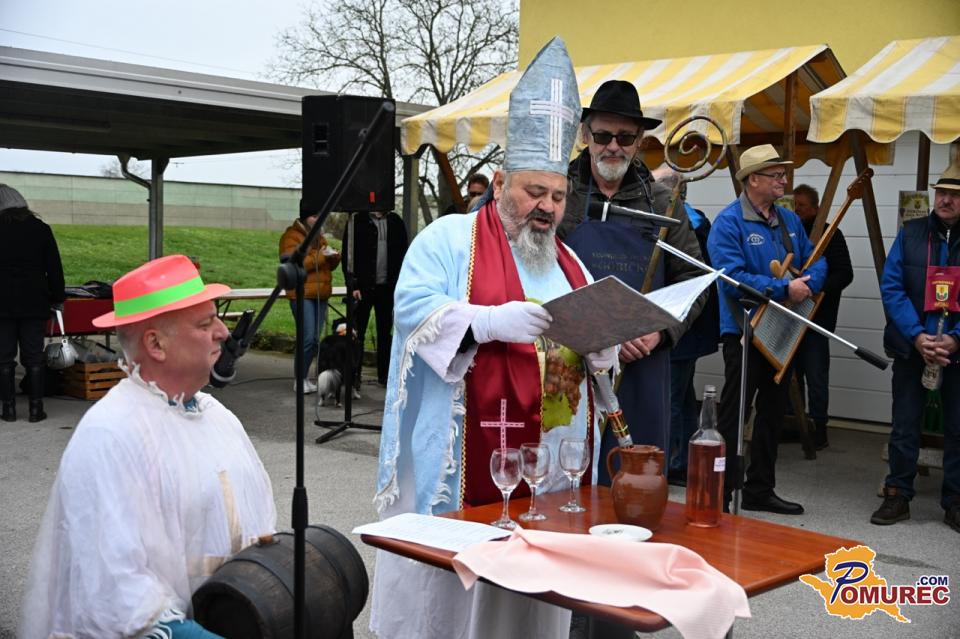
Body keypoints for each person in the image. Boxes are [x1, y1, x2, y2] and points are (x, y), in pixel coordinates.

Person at [370, 37, 615, 639]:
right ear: (500, 182)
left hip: (549, 470)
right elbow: (411, 309)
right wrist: (482, 322)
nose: (546, 207)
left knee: (531, 608)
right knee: (453, 606)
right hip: (469, 459)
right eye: (534, 192)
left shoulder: (571, 265)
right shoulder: (449, 240)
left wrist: (603, 352)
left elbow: (589, 349)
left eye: (558, 196)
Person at [19, 255, 277, 638]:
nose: (223, 332)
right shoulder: (110, 434)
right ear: (155, 343)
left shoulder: (216, 415)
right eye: (205, 323)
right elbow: (113, 590)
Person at [558, 80, 707, 484]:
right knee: (565, 474)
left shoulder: (663, 203)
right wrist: (597, 334)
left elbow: (695, 278)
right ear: (585, 135)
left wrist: (661, 330)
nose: (613, 146)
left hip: (642, 362)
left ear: (640, 141)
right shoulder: (561, 195)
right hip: (569, 360)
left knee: (635, 481)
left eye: (625, 137)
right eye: (603, 136)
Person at [707, 145, 826, 515]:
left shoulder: (789, 220)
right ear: (753, 179)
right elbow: (731, 279)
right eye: (776, 175)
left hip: (782, 332)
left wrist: (809, 281)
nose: (783, 181)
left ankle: (760, 489)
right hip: (744, 331)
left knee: (773, 412)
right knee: (734, 414)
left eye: (782, 174)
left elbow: (817, 261)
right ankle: (719, 492)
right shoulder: (729, 223)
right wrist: (783, 289)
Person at [873, 164, 960, 533]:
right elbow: (891, 287)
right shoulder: (911, 233)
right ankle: (898, 494)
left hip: (956, 351)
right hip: (913, 348)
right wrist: (917, 335)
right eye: (941, 192)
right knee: (905, 425)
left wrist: (956, 338)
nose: (945, 199)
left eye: (954, 194)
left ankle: (955, 501)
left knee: (958, 428)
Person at [650, 172, 720, 486]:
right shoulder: (700, 220)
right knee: (684, 394)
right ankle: (689, 460)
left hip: (681, 324)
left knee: (672, 399)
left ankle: (673, 463)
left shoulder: (677, 224)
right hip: (695, 325)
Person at [792, 184, 853, 450]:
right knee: (792, 376)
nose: (797, 210)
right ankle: (796, 424)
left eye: (802, 206)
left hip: (818, 319)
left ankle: (819, 428)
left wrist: (817, 290)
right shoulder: (788, 232)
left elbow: (845, 273)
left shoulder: (831, 234)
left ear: (816, 208)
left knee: (816, 375)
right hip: (789, 317)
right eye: (794, 205)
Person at [0, 184, 65, 423]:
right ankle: (36, 410)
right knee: (34, 356)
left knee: (4, 358)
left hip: (2, 303)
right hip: (35, 302)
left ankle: (8, 409)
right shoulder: (41, 229)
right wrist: (58, 298)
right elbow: (54, 268)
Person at [341, 208, 408, 388]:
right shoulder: (357, 220)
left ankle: (385, 376)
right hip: (362, 288)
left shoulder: (395, 222)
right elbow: (348, 255)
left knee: (385, 333)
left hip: (387, 288)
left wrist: (400, 284)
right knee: (358, 333)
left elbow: (404, 253)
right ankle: (354, 376)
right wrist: (352, 284)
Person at [280, 208, 341, 393]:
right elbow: (294, 263)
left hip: (320, 294)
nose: (318, 219)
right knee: (307, 338)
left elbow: (325, 266)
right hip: (302, 293)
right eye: (315, 216)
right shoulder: (291, 236)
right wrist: (322, 256)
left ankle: (305, 377)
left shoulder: (319, 237)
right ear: (305, 217)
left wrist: (334, 258)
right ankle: (299, 379)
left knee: (314, 340)